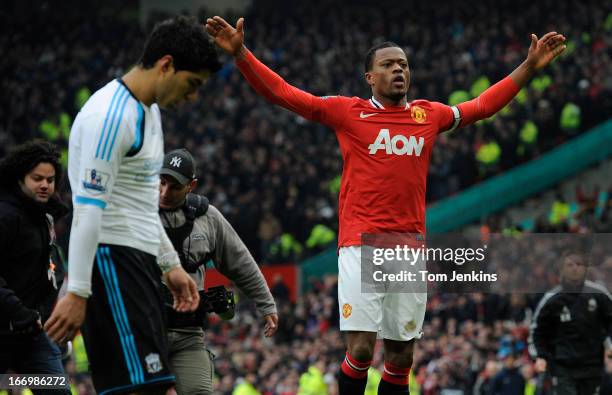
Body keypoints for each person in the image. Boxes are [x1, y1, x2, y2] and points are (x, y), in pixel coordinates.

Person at [206, 15, 567, 394]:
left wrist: (527, 68)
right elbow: (285, 93)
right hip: (362, 243)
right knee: (361, 349)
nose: (399, 70)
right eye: (388, 64)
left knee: (400, 359)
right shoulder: (349, 112)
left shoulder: (428, 115)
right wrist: (242, 54)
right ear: (370, 77)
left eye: (404, 64)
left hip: (409, 247)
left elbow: (481, 106)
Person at [44, 16, 222, 394]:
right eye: (192, 85)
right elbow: (88, 210)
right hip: (110, 263)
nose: (192, 97)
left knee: (148, 387)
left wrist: (170, 265)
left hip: (135, 264)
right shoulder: (110, 117)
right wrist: (77, 290)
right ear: (166, 65)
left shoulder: (148, 111)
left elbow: (141, 204)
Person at [158, 148, 278, 394]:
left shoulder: (208, 218)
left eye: (175, 186)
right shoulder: (137, 212)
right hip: (143, 331)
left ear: (191, 186)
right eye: (161, 182)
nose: (165, 192)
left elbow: (241, 262)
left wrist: (266, 304)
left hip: (187, 333)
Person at [0, 140, 70, 394]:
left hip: (30, 336)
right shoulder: (5, 215)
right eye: (37, 178)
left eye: (50, 180)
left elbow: (46, 273)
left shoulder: (44, 216)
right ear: (20, 178)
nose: (45, 185)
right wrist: (19, 313)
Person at [529, 250, 612, 395]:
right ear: (562, 269)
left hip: (593, 366)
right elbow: (537, 331)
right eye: (570, 265)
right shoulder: (552, 299)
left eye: (579, 264)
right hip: (563, 367)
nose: (575, 268)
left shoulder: (599, 295)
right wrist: (540, 356)